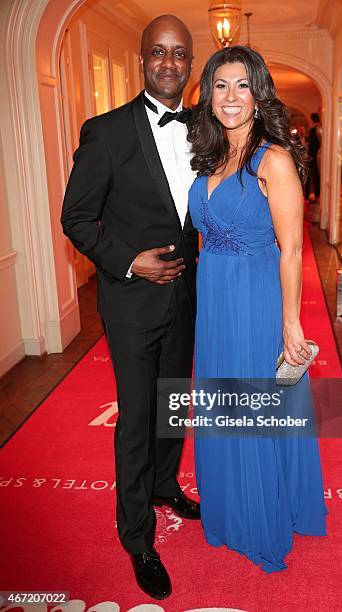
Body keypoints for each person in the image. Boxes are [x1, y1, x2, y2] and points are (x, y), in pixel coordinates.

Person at [61, 15, 200, 601]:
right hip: (131, 301)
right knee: (138, 417)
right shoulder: (107, 132)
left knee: (173, 402)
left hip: (187, 298)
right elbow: (77, 219)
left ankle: (167, 484)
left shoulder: (206, 129)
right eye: (158, 53)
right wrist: (129, 261)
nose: (169, 64)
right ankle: (137, 535)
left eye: (180, 55)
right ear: (143, 60)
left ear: (190, 65)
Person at [187, 46, 328, 572]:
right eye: (220, 85)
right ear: (209, 94)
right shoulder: (208, 155)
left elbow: (291, 248)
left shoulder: (273, 158)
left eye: (241, 85)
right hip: (214, 294)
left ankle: (259, 520)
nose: (230, 96)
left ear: (258, 93)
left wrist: (290, 322)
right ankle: (227, 507)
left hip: (253, 297)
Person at [305, 112, 322, 202]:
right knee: (315, 176)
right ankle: (316, 194)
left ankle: (316, 195)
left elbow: (312, 145)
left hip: (315, 155)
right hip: (316, 155)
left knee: (314, 175)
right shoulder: (318, 128)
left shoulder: (314, 129)